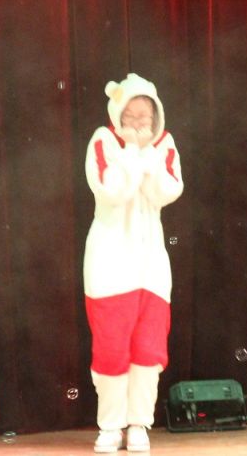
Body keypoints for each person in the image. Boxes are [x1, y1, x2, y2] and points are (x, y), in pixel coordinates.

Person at [83, 73, 183, 454]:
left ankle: (139, 423)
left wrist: (145, 157)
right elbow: (112, 190)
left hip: (151, 267)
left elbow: (166, 191)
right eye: (131, 115)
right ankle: (110, 426)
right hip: (110, 266)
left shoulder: (165, 144)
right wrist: (132, 152)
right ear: (118, 114)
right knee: (111, 348)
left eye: (145, 116)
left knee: (148, 350)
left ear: (156, 115)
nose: (139, 123)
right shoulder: (103, 141)